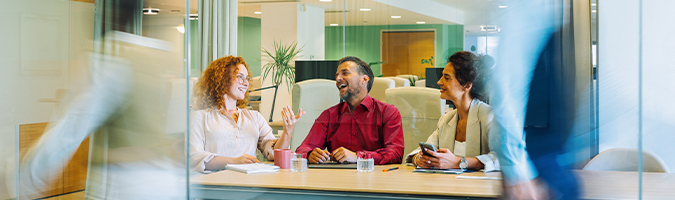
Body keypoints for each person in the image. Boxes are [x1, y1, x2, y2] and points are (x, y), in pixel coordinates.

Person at [189, 56, 304, 173]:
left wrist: (287, 132)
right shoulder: (200, 117)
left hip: (250, 183)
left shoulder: (254, 117)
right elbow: (194, 158)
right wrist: (234, 162)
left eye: (247, 79)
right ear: (222, 79)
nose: (246, 83)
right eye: (240, 77)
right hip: (217, 184)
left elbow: (275, 154)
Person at [294, 56, 405, 165]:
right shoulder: (329, 115)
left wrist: (358, 157)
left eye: (345, 73)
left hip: (375, 178)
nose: (338, 79)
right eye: (337, 75)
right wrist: (310, 154)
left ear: (364, 79)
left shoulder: (388, 112)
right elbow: (303, 149)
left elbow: (396, 153)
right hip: (336, 179)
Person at [406, 51, 499, 172]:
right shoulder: (446, 119)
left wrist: (459, 162)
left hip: (479, 188)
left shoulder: (490, 117)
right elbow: (421, 150)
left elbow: (502, 159)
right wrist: (419, 159)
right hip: (449, 186)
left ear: (466, 85)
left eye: (446, 78)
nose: (439, 82)